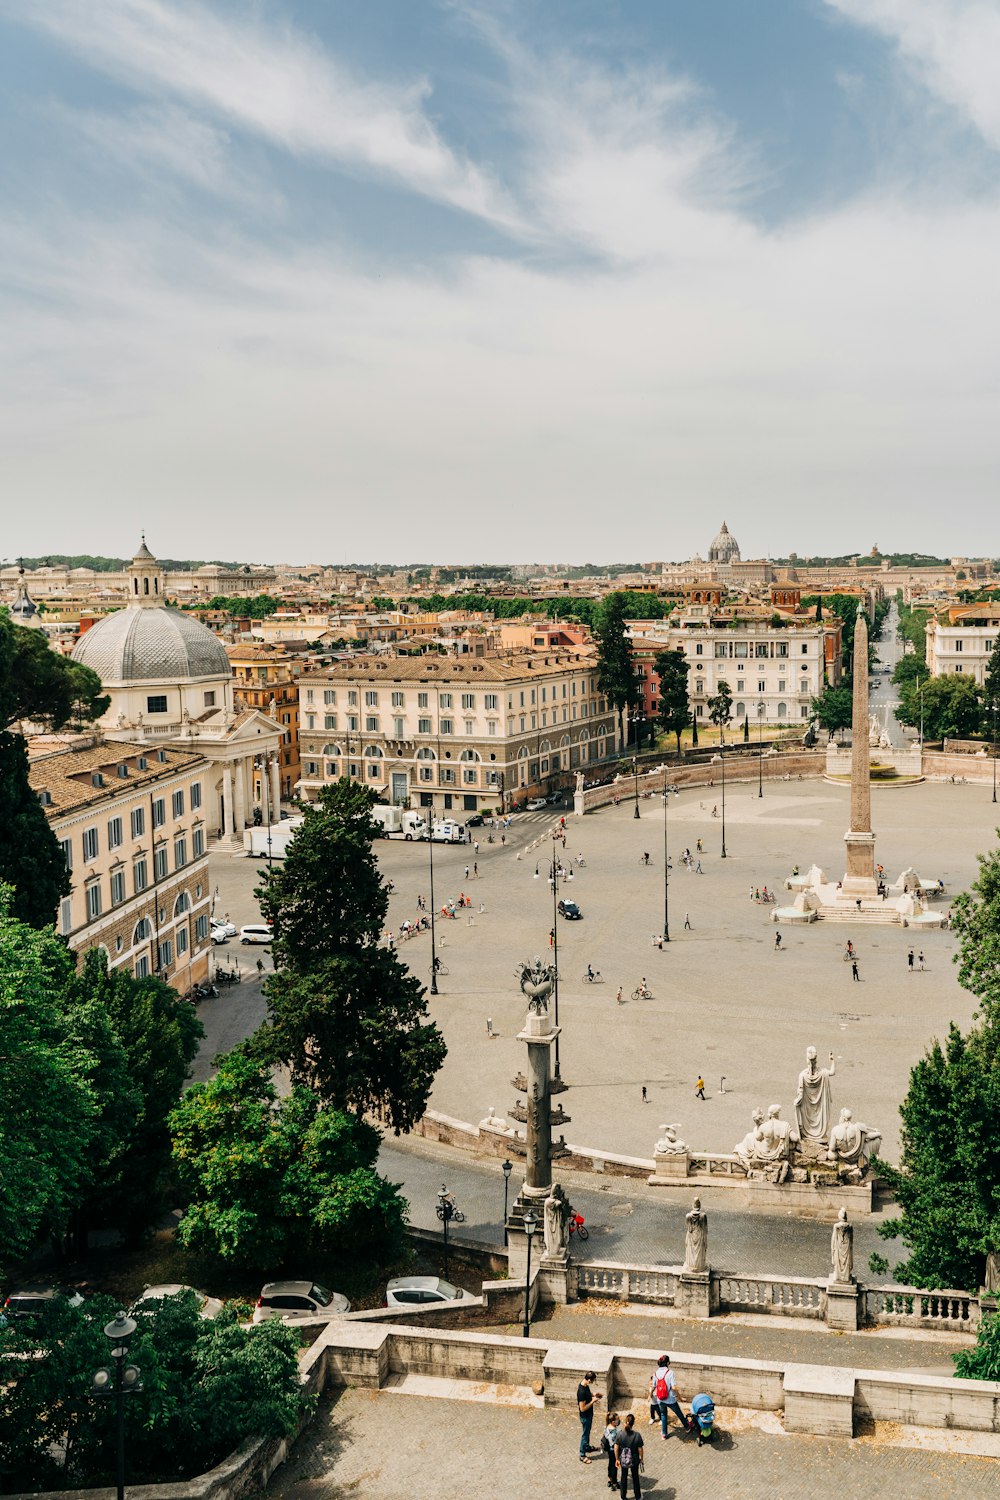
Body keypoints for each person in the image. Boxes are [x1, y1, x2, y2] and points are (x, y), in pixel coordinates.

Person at [649, 1355, 688, 1439]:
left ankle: (664, 1434)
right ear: (667, 1363)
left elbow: (653, 1387)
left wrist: (650, 1395)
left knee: (663, 1415)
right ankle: (687, 1427)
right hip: (670, 1399)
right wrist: (680, 1398)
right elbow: (673, 1387)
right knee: (678, 1413)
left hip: (660, 1399)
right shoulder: (670, 1373)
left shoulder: (655, 1373)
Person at [614, 1412, 643, 1497]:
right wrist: (641, 1459)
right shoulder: (637, 1435)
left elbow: (616, 1448)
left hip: (623, 1459)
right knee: (635, 1478)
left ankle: (623, 1496)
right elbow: (640, 1449)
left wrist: (617, 1459)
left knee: (624, 1478)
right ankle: (638, 1496)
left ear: (625, 1422)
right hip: (634, 1459)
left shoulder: (620, 1434)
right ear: (633, 1423)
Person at [577, 1370, 601, 1462]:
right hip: (585, 1416)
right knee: (585, 1434)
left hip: (589, 1415)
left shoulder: (584, 1385)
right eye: (592, 1381)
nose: (592, 1383)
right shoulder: (581, 1392)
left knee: (587, 1432)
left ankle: (586, 1447)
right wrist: (593, 1401)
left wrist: (594, 1395)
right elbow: (582, 1408)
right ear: (589, 1380)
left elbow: (588, 1393)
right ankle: (582, 1455)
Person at [601, 1412, 621, 1489]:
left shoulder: (607, 1427)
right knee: (614, 1466)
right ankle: (614, 1482)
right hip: (614, 1451)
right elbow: (616, 1443)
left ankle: (610, 1479)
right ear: (613, 1422)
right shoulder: (616, 1432)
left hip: (609, 1450)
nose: (619, 1421)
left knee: (610, 1464)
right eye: (617, 1419)